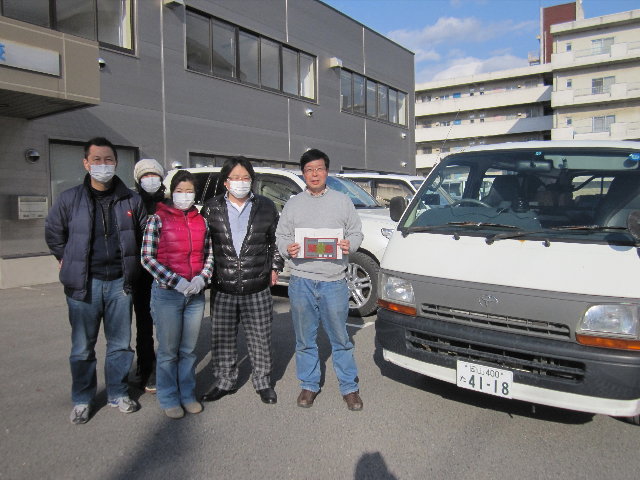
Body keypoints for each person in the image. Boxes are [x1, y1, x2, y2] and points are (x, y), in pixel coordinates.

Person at [45, 136, 147, 424]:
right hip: (83, 284)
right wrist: (66, 258)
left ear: (116, 163)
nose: (103, 165)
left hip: (120, 283)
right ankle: (82, 397)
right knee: (82, 347)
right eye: (97, 160)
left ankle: (117, 392)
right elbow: (54, 233)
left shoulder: (131, 199)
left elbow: (142, 236)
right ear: (86, 163)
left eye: (109, 160)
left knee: (119, 344)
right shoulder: (70, 199)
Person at [275, 149, 364, 411]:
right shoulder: (293, 203)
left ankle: (349, 387)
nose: (315, 174)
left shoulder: (342, 201)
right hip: (301, 280)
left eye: (320, 168)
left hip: (334, 281)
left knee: (340, 338)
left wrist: (351, 245)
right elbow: (281, 236)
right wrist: (287, 248)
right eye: (309, 170)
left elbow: (357, 232)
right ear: (303, 174)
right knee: (305, 338)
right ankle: (309, 384)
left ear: (327, 171)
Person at [200, 157, 284, 405]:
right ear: (226, 182)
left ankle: (263, 382)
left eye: (245, 177)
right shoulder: (211, 208)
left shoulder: (266, 206)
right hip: (223, 284)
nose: (240, 182)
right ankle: (225, 381)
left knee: (260, 337)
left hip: (257, 283)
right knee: (222, 337)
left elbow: (275, 241)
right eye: (235, 178)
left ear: (252, 180)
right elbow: (205, 246)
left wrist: (275, 267)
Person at [141, 170, 214, 419]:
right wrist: (176, 281)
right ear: (172, 192)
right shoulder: (158, 219)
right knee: (168, 350)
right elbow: (147, 258)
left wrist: (201, 278)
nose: (185, 196)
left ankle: (187, 394)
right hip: (167, 294)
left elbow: (209, 254)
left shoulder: (200, 220)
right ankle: (169, 396)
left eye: (189, 191)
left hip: (194, 294)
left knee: (188, 350)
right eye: (180, 191)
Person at [132, 158, 166, 394]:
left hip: (165, 273)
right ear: (138, 179)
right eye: (145, 175)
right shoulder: (131, 202)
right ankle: (145, 366)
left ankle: (161, 370)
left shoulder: (168, 203)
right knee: (144, 323)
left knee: (166, 324)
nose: (150, 179)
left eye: (154, 174)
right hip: (139, 272)